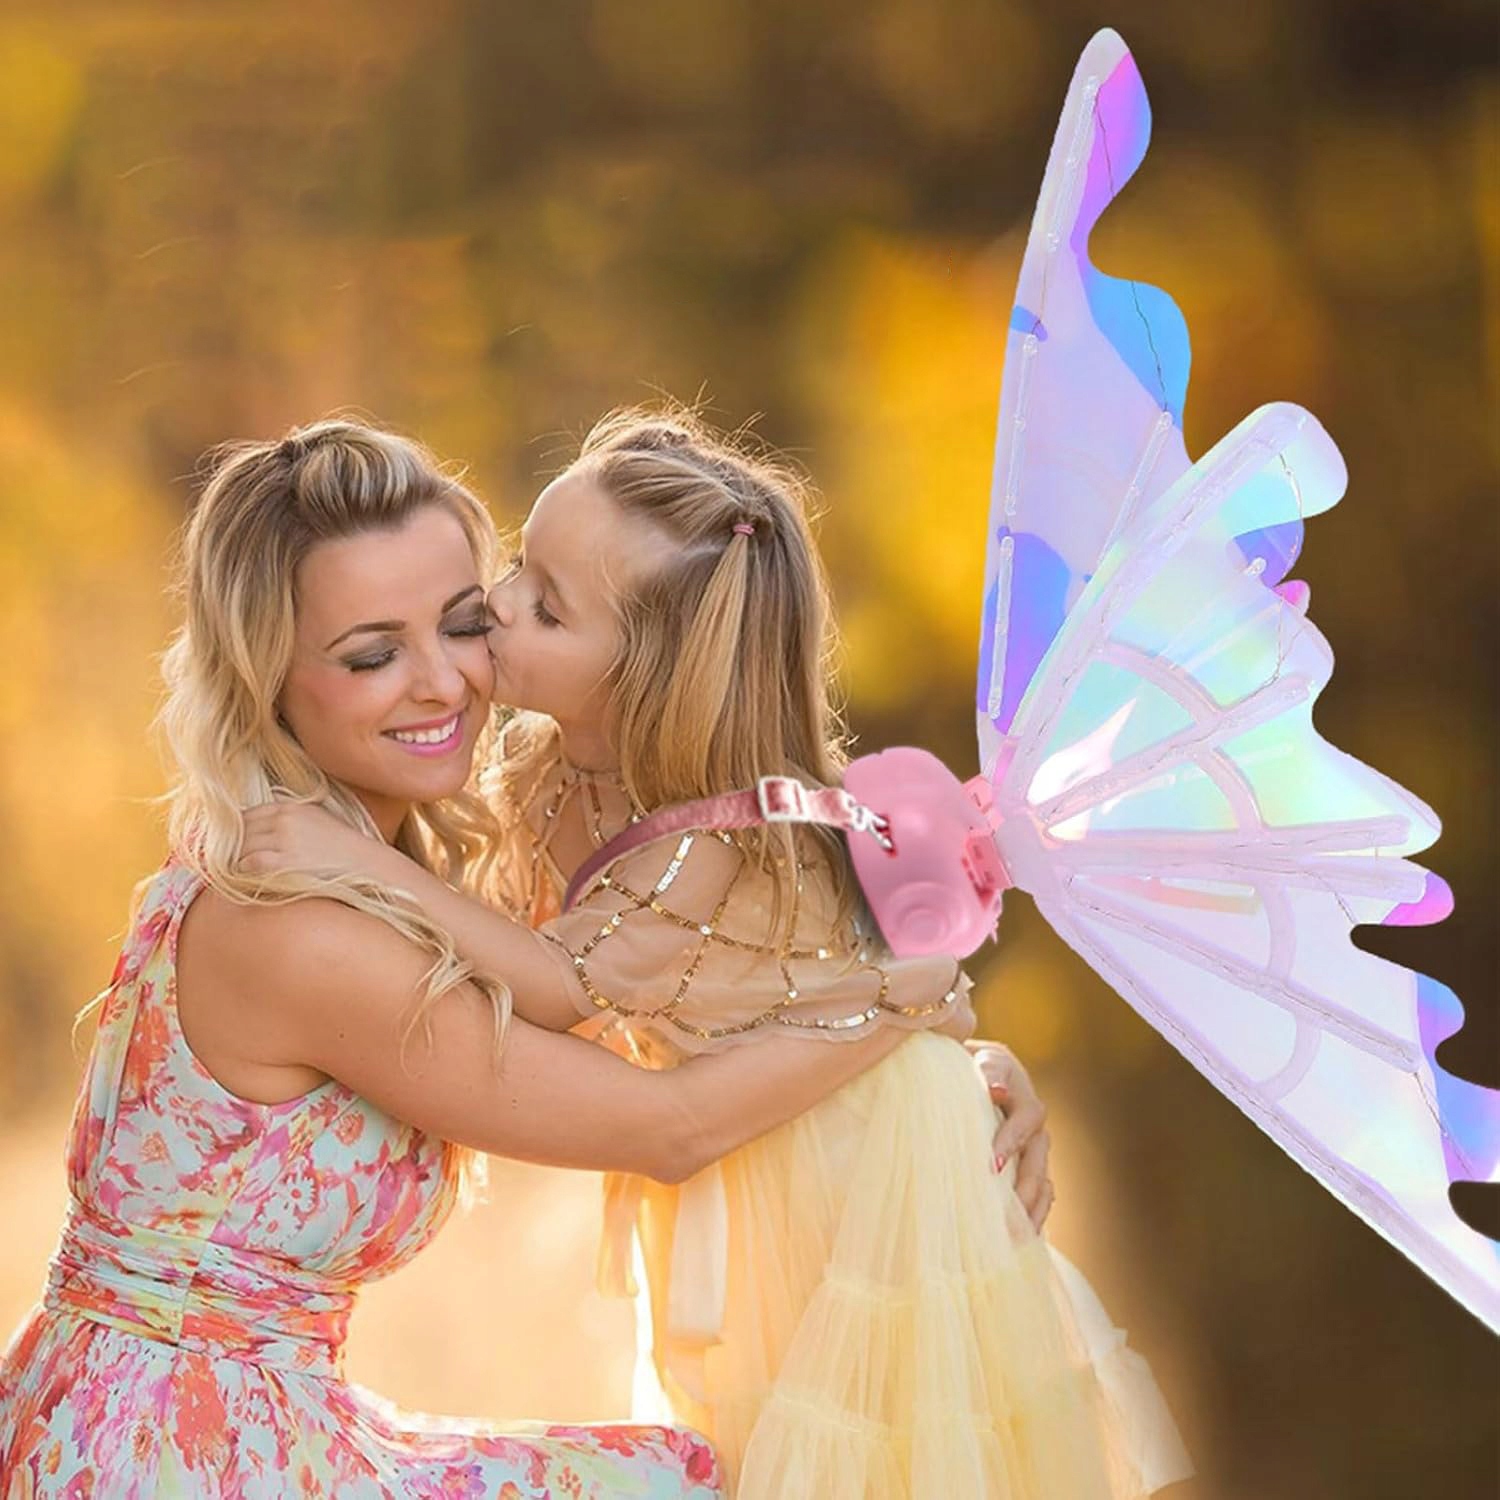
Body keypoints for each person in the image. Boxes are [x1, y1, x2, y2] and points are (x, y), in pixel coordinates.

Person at [0, 418, 1029, 1499]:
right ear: (265, 677)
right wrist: (910, 1004)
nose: (443, 684)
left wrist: (942, 1087)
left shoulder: (365, 866)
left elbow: (699, 997)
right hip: (165, 1453)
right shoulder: (299, 930)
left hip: (192, 1419)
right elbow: (668, 1125)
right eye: (372, 655)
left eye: (463, 623)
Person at [242, 408, 1194, 1498]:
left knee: (869, 1449)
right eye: (516, 569)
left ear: (642, 676)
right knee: (756, 1441)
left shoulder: (700, 836)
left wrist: (360, 864)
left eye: (545, 607)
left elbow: (553, 985)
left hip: (852, 1161)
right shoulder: (550, 769)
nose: (495, 607)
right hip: (759, 1134)